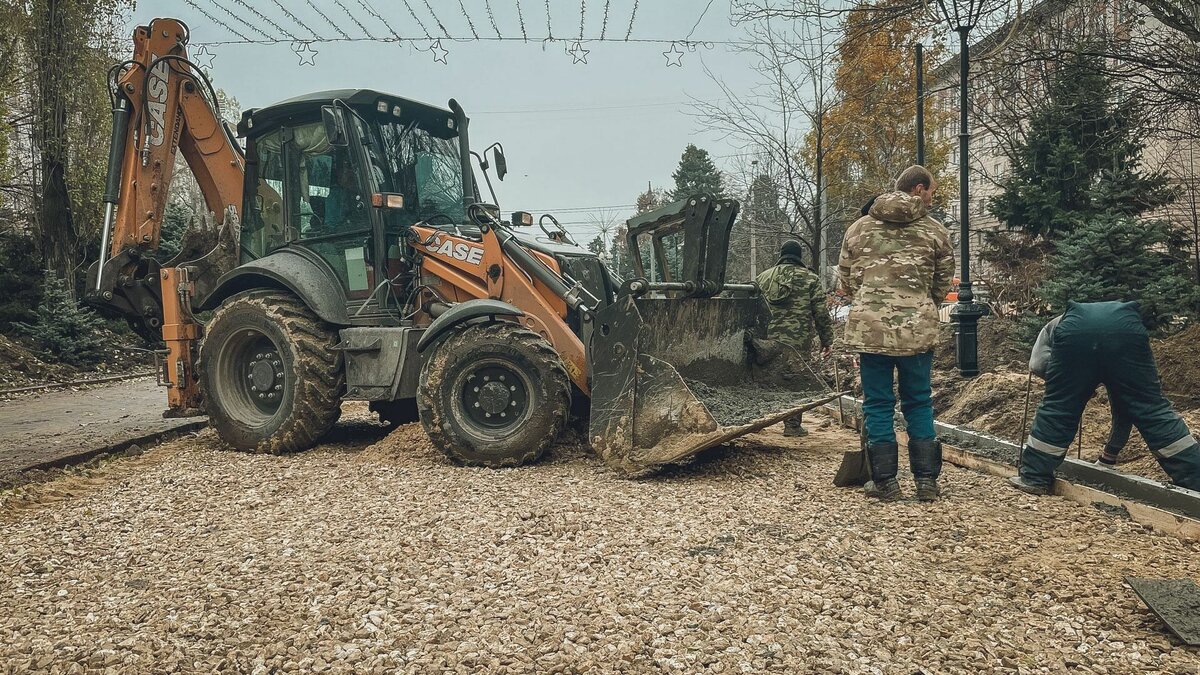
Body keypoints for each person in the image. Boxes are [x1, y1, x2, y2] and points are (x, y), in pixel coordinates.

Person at [837, 165, 955, 501]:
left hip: (871, 330)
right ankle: (927, 482)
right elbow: (941, 283)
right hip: (916, 330)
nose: (932, 197)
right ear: (919, 189)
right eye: (931, 191)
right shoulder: (935, 231)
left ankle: (886, 482)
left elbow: (846, 281)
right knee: (919, 401)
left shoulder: (858, 229)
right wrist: (918, 305)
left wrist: (871, 301)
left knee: (878, 403)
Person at [1011, 301, 1200, 494]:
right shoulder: (1115, 323)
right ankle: (1195, 478)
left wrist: (1075, 386)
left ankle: (1035, 477)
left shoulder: (1052, 329)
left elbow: (1037, 364)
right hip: (1127, 331)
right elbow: (1124, 408)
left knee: (1060, 408)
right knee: (1150, 408)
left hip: (1077, 337)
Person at [756, 240, 833, 436]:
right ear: (799, 256)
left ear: (781, 254)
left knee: (764, 376)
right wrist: (827, 341)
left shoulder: (762, 278)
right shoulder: (810, 279)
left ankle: (756, 423)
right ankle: (792, 426)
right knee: (795, 380)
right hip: (798, 340)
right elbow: (821, 313)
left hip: (767, 338)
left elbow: (750, 309)